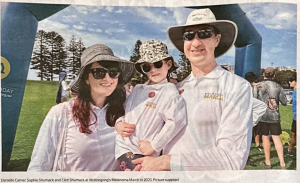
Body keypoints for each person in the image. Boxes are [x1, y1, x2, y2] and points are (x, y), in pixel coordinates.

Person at [130, 8, 257, 171]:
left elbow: (231, 158)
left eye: (204, 33)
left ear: (217, 39)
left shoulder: (236, 86)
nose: (196, 43)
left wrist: (165, 162)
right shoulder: (175, 88)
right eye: (189, 36)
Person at [27, 44, 135, 171]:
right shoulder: (61, 112)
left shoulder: (128, 110)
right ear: (86, 79)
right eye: (99, 72)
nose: (107, 78)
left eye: (113, 72)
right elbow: (39, 166)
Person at [114, 40, 187, 171]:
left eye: (158, 64)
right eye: (147, 67)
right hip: (123, 148)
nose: (153, 70)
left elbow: (176, 121)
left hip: (146, 154)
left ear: (168, 64)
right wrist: (118, 124)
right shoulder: (137, 89)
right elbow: (124, 111)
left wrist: (154, 145)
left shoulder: (169, 91)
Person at [256, 67, 287, 169]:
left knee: (265, 137)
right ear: (274, 75)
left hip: (263, 116)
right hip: (274, 116)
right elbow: (284, 102)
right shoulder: (278, 86)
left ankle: (268, 162)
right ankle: (282, 164)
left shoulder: (258, 86)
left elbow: (253, 100)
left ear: (263, 74)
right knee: (276, 138)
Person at [285, 73, 297, 157]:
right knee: (293, 134)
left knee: (294, 134)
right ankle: (289, 150)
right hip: (295, 117)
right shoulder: (295, 91)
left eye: (291, 81)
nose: (289, 83)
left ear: (296, 81)